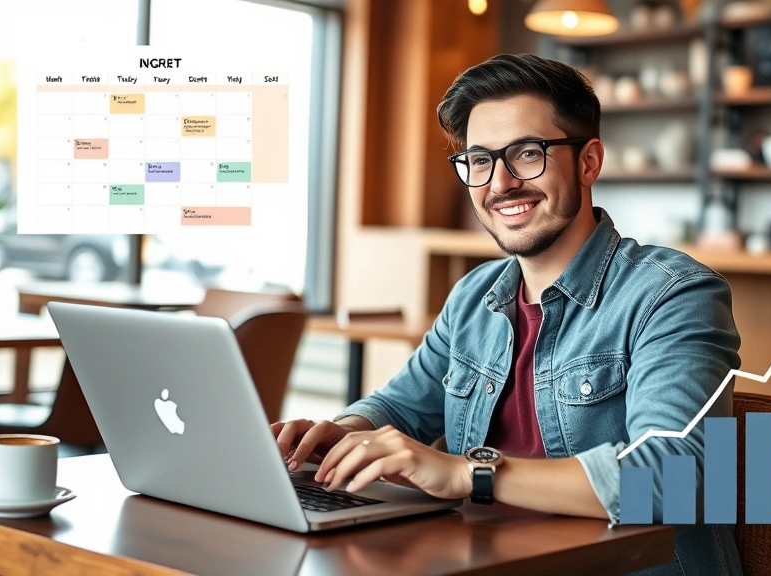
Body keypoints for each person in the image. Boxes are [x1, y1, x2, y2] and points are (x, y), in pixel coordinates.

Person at [273, 53, 743, 575]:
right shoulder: (474, 296)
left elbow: (675, 477)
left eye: (526, 153)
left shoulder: (673, 294)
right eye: (479, 160)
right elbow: (401, 407)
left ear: (589, 161)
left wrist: (469, 473)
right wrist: (338, 437)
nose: (499, 184)